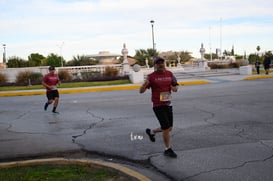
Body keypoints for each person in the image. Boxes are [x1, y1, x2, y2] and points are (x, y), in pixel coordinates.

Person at [139, 57, 179, 158]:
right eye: (158, 63)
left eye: (162, 63)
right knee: (166, 128)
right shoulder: (151, 77)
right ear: (155, 65)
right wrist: (144, 86)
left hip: (168, 104)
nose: (161, 65)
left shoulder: (170, 74)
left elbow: (176, 86)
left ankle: (152, 132)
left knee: (169, 128)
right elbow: (141, 91)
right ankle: (168, 149)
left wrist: (174, 88)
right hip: (157, 105)